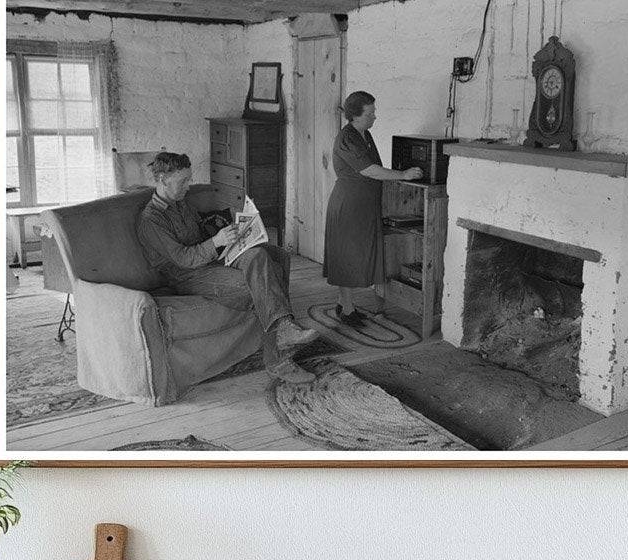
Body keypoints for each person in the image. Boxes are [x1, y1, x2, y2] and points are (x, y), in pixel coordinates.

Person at [137, 151, 319, 384]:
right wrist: (216, 242)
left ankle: (284, 326)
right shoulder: (151, 220)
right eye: (182, 181)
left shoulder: (181, 204)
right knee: (258, 285)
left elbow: (200, 233)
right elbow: (183, 259)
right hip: (187, 275)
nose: (188, 186)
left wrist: (230, 231)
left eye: (189, 179)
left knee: (259, 257)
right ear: (162, 180)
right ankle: (278, 360)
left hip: (211, 260)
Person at [322, 91, 422, 325]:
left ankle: (343, 303)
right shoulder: (348, 137)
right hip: (349, 205)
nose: (375, 117)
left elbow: (374, 167)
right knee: (347, 256)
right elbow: (369, 169)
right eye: (370, 113)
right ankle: (347, 309)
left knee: (356, 255)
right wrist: (402, 174)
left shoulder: (364, 134)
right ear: (355, 116)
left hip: (363, 205)